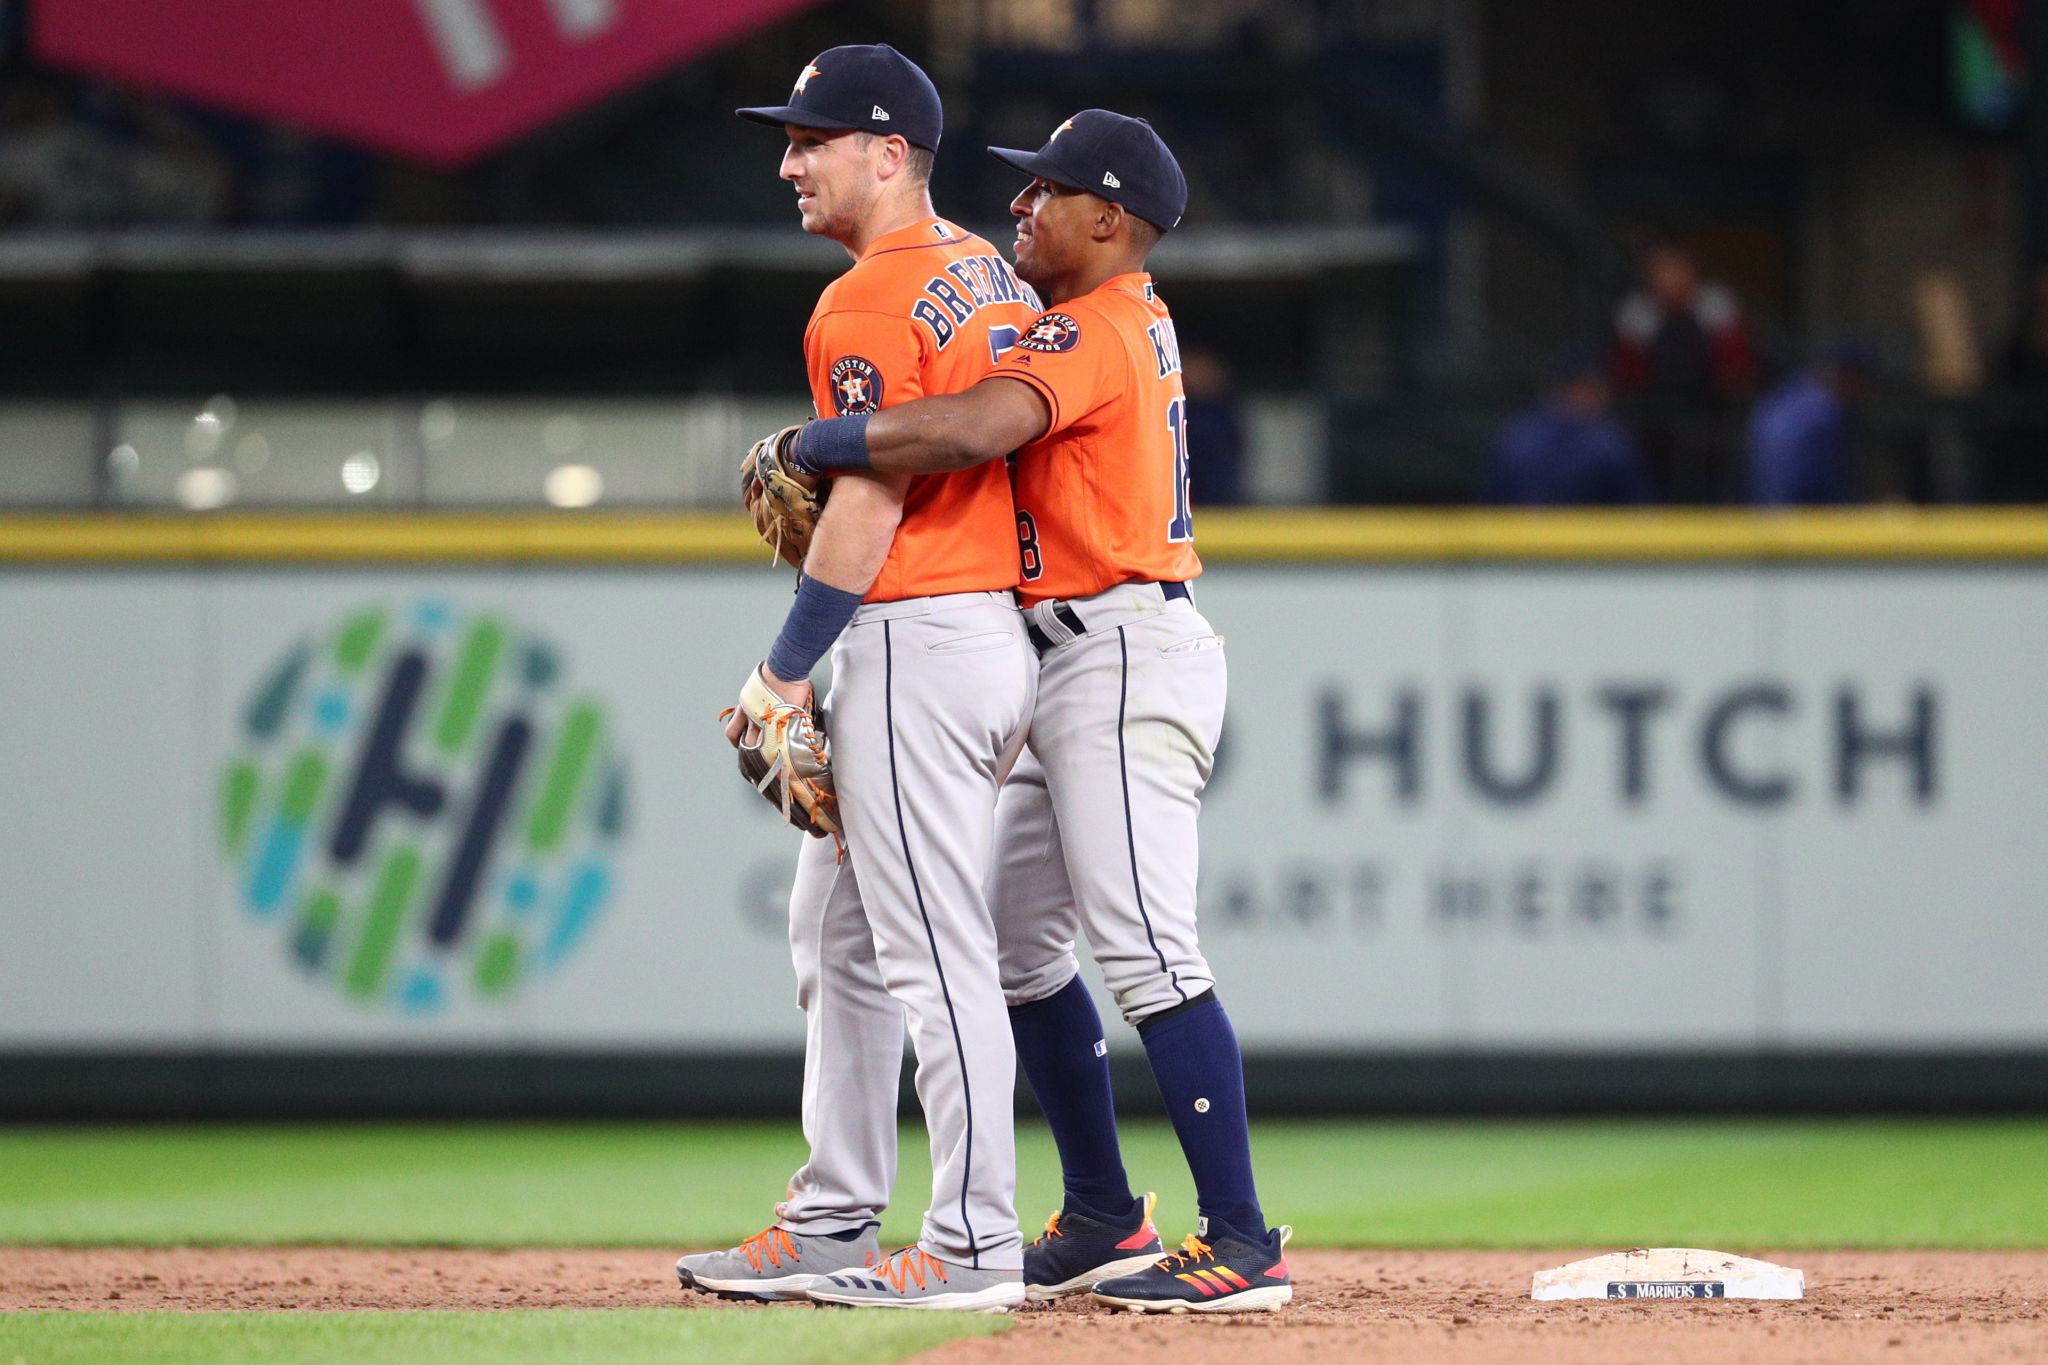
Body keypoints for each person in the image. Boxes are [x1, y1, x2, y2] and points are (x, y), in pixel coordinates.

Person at [773, 109, 1294, 1314]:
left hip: (1115, 650)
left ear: (1107, 219)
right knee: (1012, 944)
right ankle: (1106, 1214)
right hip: (1063, 650)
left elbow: (969, 427)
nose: (1019, 209)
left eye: (1044, 193)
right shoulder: (1108, 319)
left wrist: (817, 437)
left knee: (1148, 948)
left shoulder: (1097, 325)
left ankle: (1242, 1240)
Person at [675, 44, 1042, 1313]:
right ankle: (835, 1211)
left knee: (931, 952)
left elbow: (872, 492)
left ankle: (973, 1242)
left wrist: (782, 672)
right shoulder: (987, 268)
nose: (787, 162)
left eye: (810, 140)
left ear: (887, 154)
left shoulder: (869, 299)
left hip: (917, 638)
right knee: (831, 931)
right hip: (983, 633)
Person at [1612, 237, 1756, 501]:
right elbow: (1627, 381)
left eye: (1677, 270)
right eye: (1661, 271)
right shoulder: (1637, 315)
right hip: (1653, 428)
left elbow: (1737, 376)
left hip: (1711, 421)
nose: (1669, 279)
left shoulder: (1716, 310)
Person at [1483, 347, 1653, 506]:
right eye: (1594, 388)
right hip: (1539, 534)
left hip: (1527, 534)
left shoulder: (1516, 434)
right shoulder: (1607, 443)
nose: (1603, 397)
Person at [1747, 341, 1877, 507]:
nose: (1866, 392)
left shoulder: (1781, 397)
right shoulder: (1824, 415)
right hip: (1803, 519)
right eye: (1864, 382)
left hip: (1760, 517)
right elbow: (1830, 490)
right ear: (1847, 376)